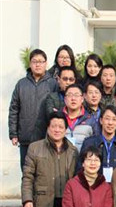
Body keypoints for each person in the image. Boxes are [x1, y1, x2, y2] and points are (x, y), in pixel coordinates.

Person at [9, 48, 57, 176]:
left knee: (44, 174)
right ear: (30, 64)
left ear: (46, 63)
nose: (38, 64)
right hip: (26, 137)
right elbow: (14, 109)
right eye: (35, 61)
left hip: (45, 137)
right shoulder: (21, 84)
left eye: (41, 61)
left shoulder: (53, 84)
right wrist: (13, 133)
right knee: (27, 173)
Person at [79, 105, 116, 181]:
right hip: (94, 186)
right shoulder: (89, 143)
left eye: (114, 119)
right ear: (101, 120)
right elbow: (80, 170)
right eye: (107, 119)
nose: (110, 123)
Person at [34, 66, 78, 141]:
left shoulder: (80, 98)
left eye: (71, 79)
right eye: (65, 79)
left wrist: (59, 111)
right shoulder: (52, 98)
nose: (68, 82)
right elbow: (52, 117)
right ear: (58, 79)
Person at [61, 84, 96, 149]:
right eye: (70, 95)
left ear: (82, 99)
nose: (73, 98)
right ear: (65, 99)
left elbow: (96, 142)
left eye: (76, 95)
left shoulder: (90, 119)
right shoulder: (58, 118)